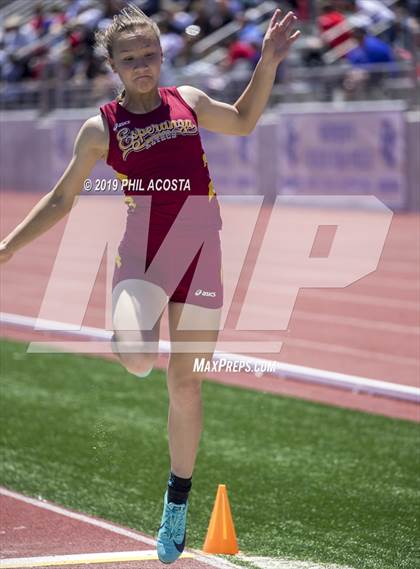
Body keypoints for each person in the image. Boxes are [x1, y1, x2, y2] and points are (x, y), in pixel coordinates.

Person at [0, 4, 300, 564]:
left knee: (186, 383)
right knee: (139, 359)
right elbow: (63, 198)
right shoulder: (102, 127)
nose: (142, 65)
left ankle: (177, 501)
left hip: (202, 252)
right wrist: (7, 248)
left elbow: (241, 120)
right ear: (112, 64)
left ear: (162, 56)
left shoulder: (188, 100)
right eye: (130, 58)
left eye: (150, 55)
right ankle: (125, 324)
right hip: (143, 257)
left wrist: (269, 61)